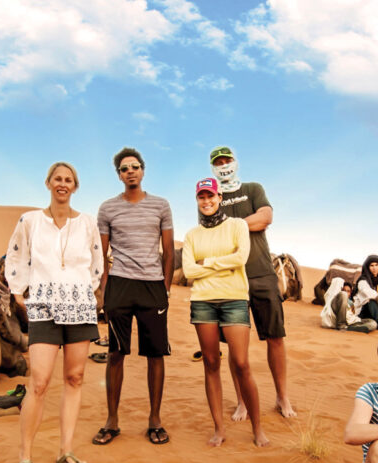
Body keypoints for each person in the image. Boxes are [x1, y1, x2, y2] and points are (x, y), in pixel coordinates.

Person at [5, 162, 103, 463]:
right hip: (44, 306)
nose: (63, 184)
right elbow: (16, 254)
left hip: (78, 307)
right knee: (40, 382)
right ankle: (25, 458)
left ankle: (65, 451)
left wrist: (84, 292)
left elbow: (96, 263)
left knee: (74, 378)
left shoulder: (87, 223)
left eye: (69, 180)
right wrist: (18, 289)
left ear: (75, 187)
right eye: (58, 179)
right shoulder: (30, 220)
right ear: (48, 182)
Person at [92, 147, 174, 446]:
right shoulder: (107, 208)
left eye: (135, 167)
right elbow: (100, 253)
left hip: (152, 286)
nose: (130, 171)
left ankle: (155, 419)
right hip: (120, 285)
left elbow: (168, 251)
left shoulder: (161, 206)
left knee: (155, 354)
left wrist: (165, 288)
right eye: (125, 168)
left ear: (143, 170)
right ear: (119, 174)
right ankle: (112, 421)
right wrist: (102, 290)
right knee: (115, 353)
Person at [209, 145, 296, 420]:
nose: (224, 165)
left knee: (275, 337)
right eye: (218, 162)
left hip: (261, 273)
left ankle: (282, 397)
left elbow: (266, 217)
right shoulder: (212, 196)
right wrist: (247, 224)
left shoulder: (253, 188)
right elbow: (211, 233)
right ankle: (242, 401)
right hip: (230, 279)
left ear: (235, 162)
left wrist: (234, 226)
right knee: (236, 346)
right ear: (213, 167)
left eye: (227, 160)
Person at [182, 177, 269, 447]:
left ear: (220, 197)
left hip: (233, 299)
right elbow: (188, 271)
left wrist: (206, 262)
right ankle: (219, 429)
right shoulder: (191, 235)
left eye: (211, 196)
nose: (207, 201)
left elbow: (240, 258)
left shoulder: (237, 225)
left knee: (242, 364)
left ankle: (258, 429)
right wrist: (224, 264)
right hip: (203, 301)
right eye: (202, 197)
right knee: (211, 363)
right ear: (197, 200)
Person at [353, 255, 378, 331]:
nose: (374, 268)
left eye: (376, 265)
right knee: (371, 300)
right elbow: (369, 293)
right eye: (371, 265)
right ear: (367, 267)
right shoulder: (362, 280)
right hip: (363, 313)